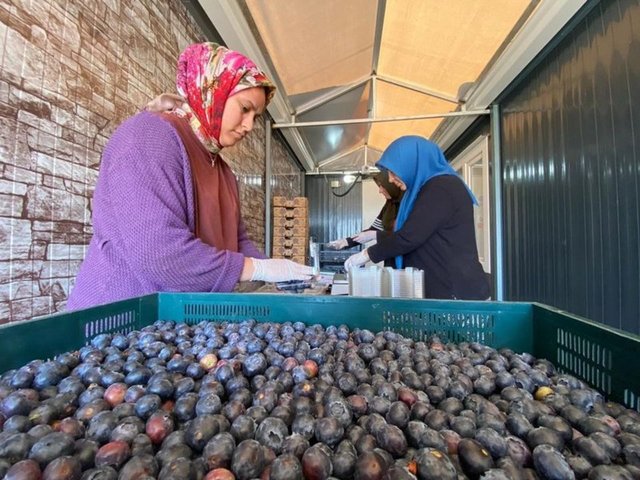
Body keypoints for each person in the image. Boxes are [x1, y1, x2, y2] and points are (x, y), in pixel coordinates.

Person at [67, 43, 312, 310]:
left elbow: (237, 241)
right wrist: (256, 269)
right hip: (124, 315)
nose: (249, 125)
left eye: (256, 116)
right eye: (245, 108)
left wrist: (275, 270)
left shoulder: (223, 171)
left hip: (180, 320)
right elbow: (159, 252)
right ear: (214, 91)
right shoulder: (150, 136)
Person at [344, 136, 490, 300]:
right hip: (441, 289)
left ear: (411, 162)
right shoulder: (424, 190)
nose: (390, 179)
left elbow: (409, 237)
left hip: (454, 292)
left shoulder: (442, 188)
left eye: (393, 171)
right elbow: (419, 234)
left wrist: (367, 254)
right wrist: (374, 236)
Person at [328, 170, 403, 250]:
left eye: (382, 186)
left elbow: (404, 236)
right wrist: (347, 242)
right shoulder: (389, 205)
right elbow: (374, 228)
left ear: (391, 186)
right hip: (390, 252)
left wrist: (373, 238)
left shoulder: (406, 205)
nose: (380, 191)